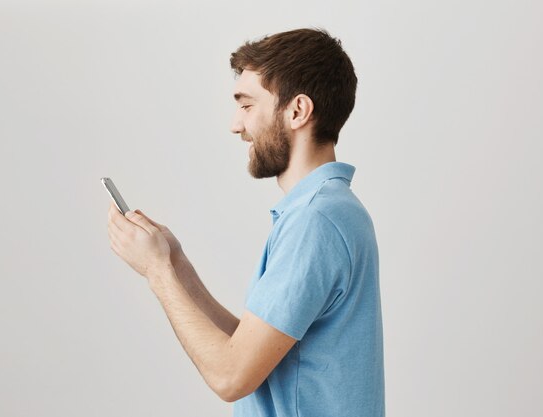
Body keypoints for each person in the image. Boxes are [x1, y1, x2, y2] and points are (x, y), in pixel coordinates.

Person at [106, 27, 385, 417]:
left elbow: (231, 376)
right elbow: (251, 350)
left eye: (247, 105)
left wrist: (156, 272)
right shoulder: (328, 210)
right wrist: (176, 265)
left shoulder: (316, 221)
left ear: (297, 111)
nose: (236, 125)